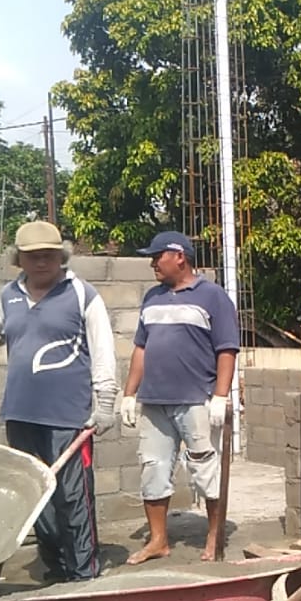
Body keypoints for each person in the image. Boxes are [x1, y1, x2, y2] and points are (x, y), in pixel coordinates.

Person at [0, 221, 117, 583]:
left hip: (69, 418)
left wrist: (106, 400)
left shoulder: (82, 294)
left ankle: (83, 574)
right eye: (33, 256)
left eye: (49, 256)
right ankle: (55, 567)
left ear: (61, 256)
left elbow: (103, 351)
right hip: (21, 414)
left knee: (73, 498)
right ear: (18, 259)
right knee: (35, 497)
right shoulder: (10, 295)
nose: (42, 262)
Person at [120, 230, 239, 564]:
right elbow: (140, 349)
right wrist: (129, 394)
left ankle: (214, 538)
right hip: (155, 401)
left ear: (179, 257)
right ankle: (158, 540)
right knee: (153, 469)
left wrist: (220, 396)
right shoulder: (152, 298)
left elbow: (226, 349)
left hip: (196, 399)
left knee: (206, 470)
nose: (152, 263)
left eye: (157, 256)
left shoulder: (213, 297)